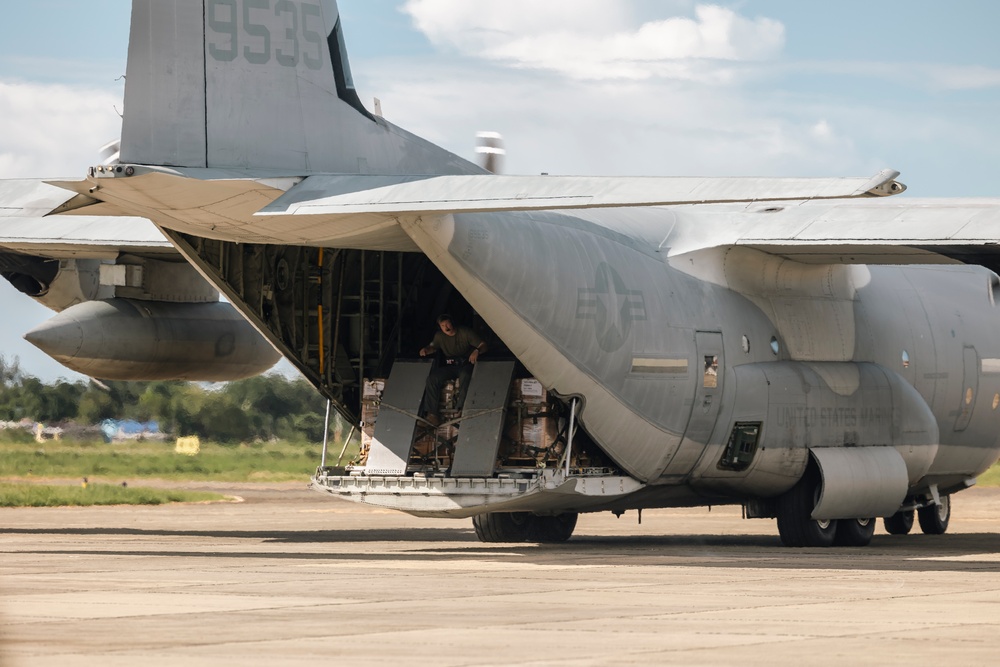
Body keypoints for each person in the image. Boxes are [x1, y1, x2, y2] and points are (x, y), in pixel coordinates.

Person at [419, 314, 487, 425]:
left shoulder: (465, 332)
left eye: (447, 324)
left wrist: (477, 350)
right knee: (432, 378)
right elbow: (433, 346)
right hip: (451, 365)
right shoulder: (440, 336)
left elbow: (483, 344)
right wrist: (426, 350)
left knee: (465, 375)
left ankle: (461, 409)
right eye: (442, 325)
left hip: (466, 364)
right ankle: (432, 415)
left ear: (452, 322)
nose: (446, 327)